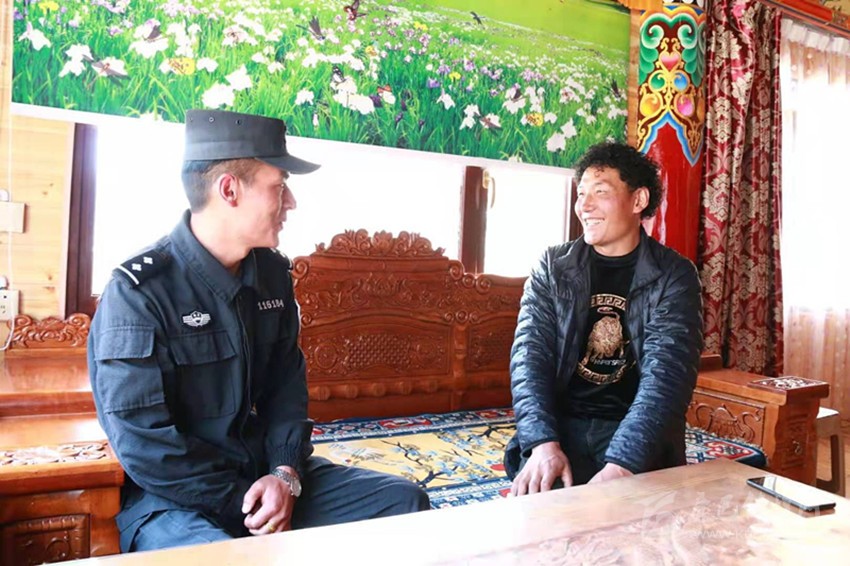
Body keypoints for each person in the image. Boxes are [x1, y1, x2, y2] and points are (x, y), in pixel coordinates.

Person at [89, 109, 430, 552]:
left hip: (262, 476)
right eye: (280, 186)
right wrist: (244, 502)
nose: (291, 203)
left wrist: (285, 474)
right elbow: (143, 444)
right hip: (175, 500)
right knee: (228, 559)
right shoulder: (139, 292)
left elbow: (286, 388)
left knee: (404, 503)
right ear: (229, 190)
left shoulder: (271, 275)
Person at [504, 142, 703, 495]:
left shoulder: (674, 275)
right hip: (562, 426)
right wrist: (542, 443)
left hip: (635, 431)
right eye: (581, 193)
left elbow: (667, 377)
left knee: (630, 519)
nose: (584, 205)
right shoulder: (553, 268)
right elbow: (528, 359)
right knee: (542, 512)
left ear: (638, 200)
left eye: (600, 192)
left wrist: (623, 464)